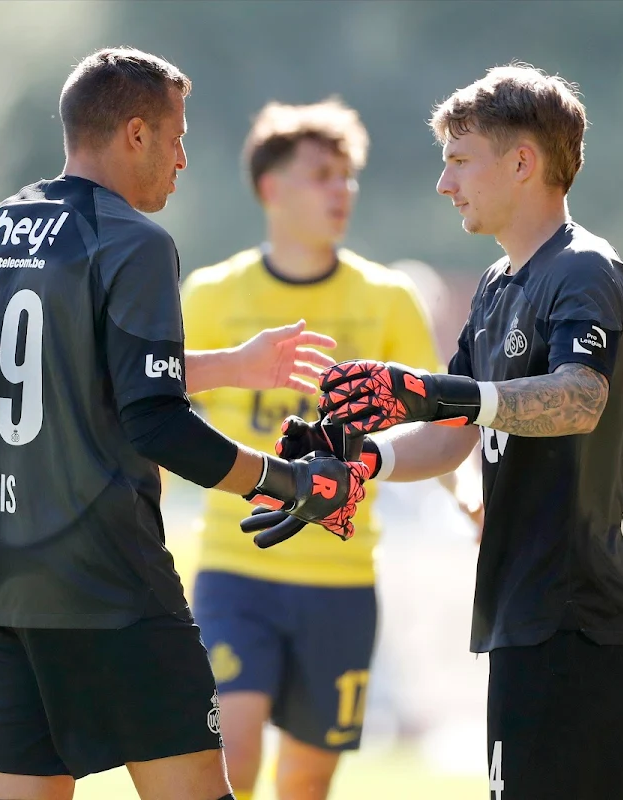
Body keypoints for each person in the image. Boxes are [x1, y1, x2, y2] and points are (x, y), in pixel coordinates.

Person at [0, 48, 370, 800]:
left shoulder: (0, 227)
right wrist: (288, 482)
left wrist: (229, 366)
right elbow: (157, 426)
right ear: (136, 133)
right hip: (103, 574)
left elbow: (78, 377)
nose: (183, 159)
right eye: (177, 137)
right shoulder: (135, 242)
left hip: (2, 571)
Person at [269, 63, 623, 799]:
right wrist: (365, 464)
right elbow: (454, 430)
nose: (445, 184)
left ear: (521, 162)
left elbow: (580, 398)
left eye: (457, 160)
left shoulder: (584, 268)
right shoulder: (495, 284)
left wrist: (435, 392)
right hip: (523, 605)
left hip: (581, 610)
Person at [180, 99, 442, 800]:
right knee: (229, 755)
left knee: (305, 780)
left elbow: (437, 423)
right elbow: (153, 411)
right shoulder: (209, 295)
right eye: (322, 174)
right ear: (271, 188)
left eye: (348, 176)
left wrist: (469, 497)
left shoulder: (388, 299)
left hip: (342, 579)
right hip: (236, 569)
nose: (341, 191)